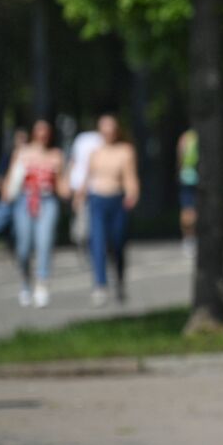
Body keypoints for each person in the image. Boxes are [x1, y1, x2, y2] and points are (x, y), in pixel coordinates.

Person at [3, 119, 67, 307]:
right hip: (25, 200)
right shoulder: (22, 153)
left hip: (48, 202)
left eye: (46, 131)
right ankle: (25, 283)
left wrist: (71, 187)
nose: (42, 135)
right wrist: (6, 192)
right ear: (33, 132)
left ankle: (42, 284)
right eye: (39, 130)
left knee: (44, 242)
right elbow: (10, 180)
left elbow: (62, 188)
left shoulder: (56, 155)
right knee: (23, 247)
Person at [84, 118, 140, 305]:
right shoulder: (95, 153)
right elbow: (87, 177)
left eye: (110, 130)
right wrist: (79, 196)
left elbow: (130, 177)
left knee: (117, 243)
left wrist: (132, 194)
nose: (107, 134)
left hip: (117, 200)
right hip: (97, 200)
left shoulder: (125, 151)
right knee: (97, 242)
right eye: (103, 130)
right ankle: (100, 284)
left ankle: (119, 278)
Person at [67, 114, 115, 259]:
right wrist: (71, 184)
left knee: (101, 226)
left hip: (103, 190)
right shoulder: (85, 141)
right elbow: (76, 162)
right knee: (84, 223)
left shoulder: (113, 145)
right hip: (86, 188)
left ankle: (100, 249)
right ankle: (88, 246)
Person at [177, 128, 199, 257]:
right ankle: (192, 237)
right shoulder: (199, 138)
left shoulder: (185, 138)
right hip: (199, 177)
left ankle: (188, 238)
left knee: (186, 209)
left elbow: (179, 159)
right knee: (193, 210)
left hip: (185, 176)